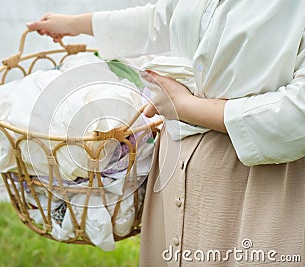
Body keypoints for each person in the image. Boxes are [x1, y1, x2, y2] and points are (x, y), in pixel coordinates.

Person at [27, 0, 305, 266]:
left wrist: (186, 106)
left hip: (254, 183)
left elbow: (298, 114)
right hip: (175, 164)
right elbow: (165, 16)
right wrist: (77, 24)